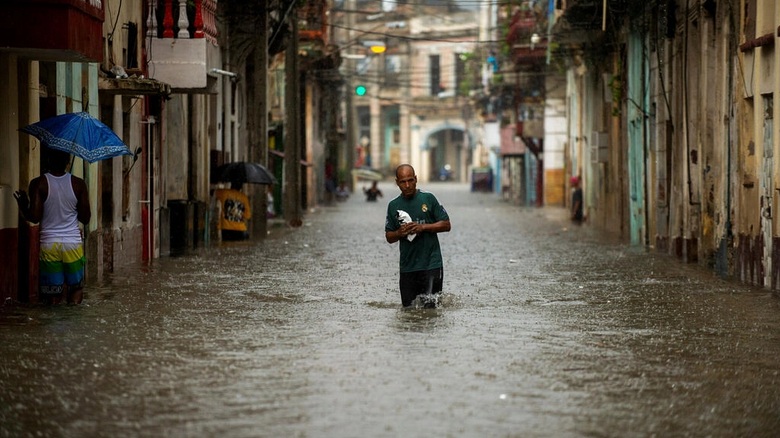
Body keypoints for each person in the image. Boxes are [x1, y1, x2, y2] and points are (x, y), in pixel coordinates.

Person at [14, 147, 91, 304]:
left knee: (52, 295)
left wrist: (23, 206)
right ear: (67, 162)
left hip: (49, 245)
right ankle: (75, 325)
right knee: (75, 288)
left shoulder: (38, 183)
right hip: (72, 245)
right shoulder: (79, 184)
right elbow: (86, 218)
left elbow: (34, 218)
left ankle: (53, 327)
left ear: (48, 160)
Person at [385, 164, 451, 308]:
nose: (407, 185)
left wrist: (423, 227)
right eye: (403, 182)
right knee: (408, 311)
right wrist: (399, 233)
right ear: (397, 183)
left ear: (416, 179)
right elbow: (389, 237)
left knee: (431, 311)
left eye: (410, 180)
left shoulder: (428, 199)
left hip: (431, 265)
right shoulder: (393, 206)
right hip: (408, 267)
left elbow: (446, 225)